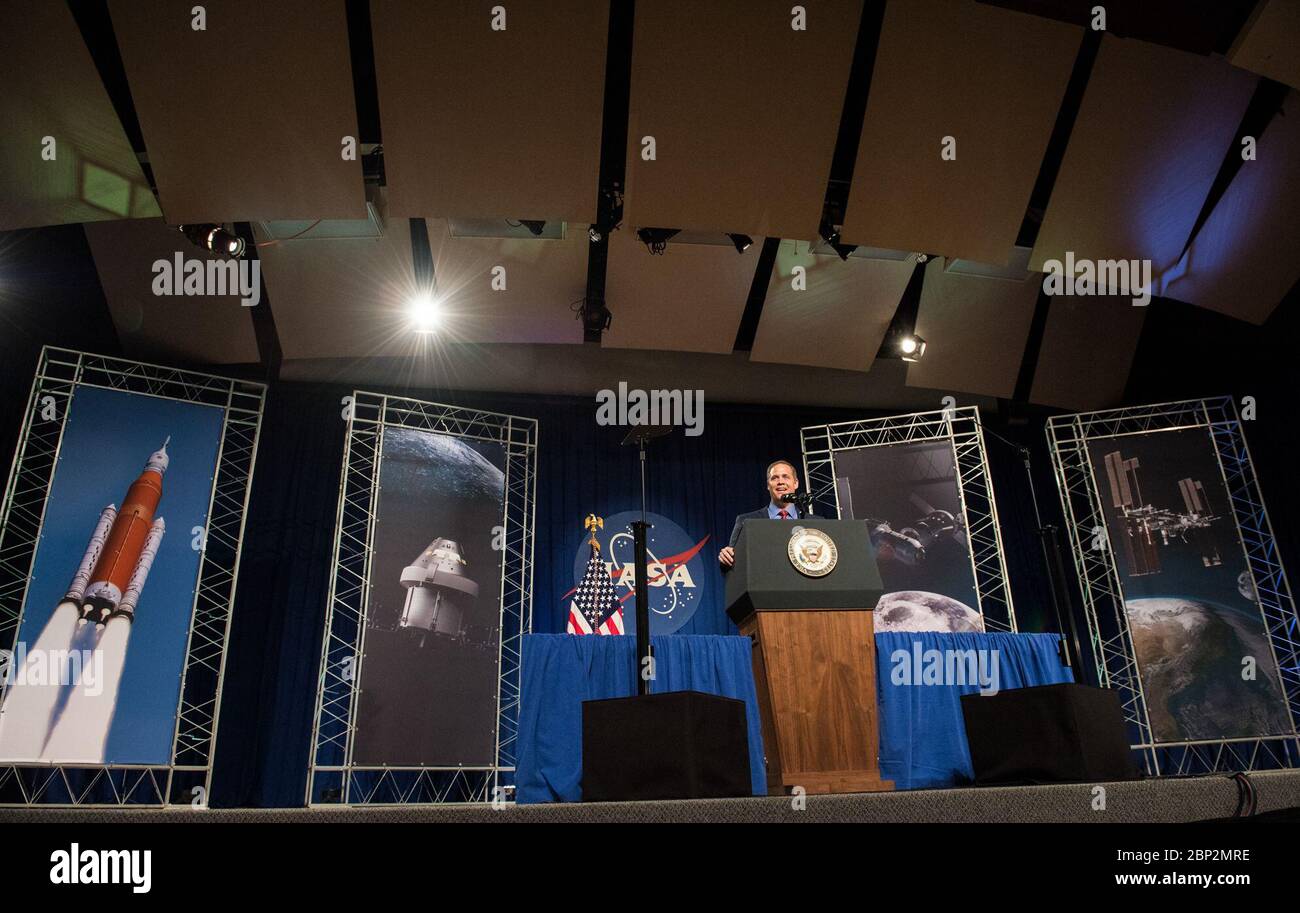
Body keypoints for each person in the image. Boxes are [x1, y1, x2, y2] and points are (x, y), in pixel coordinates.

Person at [718, 459, 803, 568]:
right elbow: (733, 563)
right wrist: (726, 558)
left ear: (796, 483)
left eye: (785, 477)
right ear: (768, 485)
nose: (780, 481)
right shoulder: (746, 521)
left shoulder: (814, 522)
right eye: (774, 478)